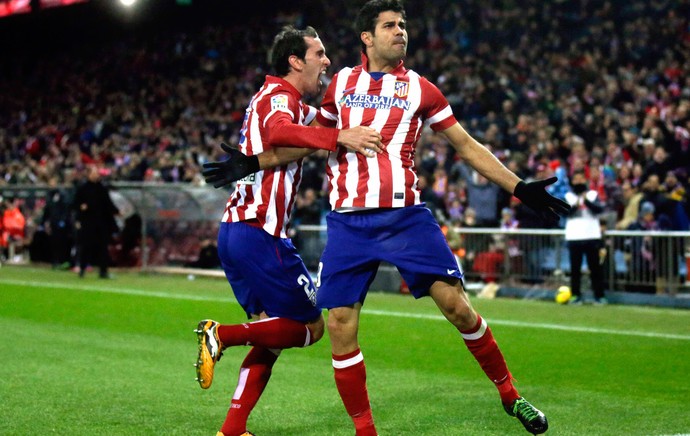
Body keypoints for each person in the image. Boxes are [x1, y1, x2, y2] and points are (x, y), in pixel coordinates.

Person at [204, 2, 568, 434]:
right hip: (348, 223)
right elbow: (312, 142)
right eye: (390, 26)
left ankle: (510, 395)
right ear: (367, 37)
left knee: (458, 307)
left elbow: (466, 145)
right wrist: (254, 163)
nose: (401, 32)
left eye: (403, 25)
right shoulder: (339, 85)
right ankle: (365, 431)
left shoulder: (421, 88)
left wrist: (518, 186)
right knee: (338, 326)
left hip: (405, 219)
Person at [194, 26, 383, 436]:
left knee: (271, 336)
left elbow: (327, 122)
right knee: (312, 326)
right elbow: (283, 131)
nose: (326, 61)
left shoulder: (288, 101)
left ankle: (232, 429)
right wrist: (338, 138)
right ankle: (220, 334)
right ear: (295, 61)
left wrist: (364, 88)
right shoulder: (280, 97)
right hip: (262, 234)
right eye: (319, 53)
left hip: (236, 231)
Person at [564, 170, 606, 304]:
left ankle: (599, 296)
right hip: (574, 235)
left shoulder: (593, 195)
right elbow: (566, 212)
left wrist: (586, 200)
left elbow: (599, 209)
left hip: (592, 235)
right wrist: (577, 203)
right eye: (576, 179)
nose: (578, 182)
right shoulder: (568, 196)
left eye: (581, 179)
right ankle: (575, 295)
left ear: (585, 180)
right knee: (575, 269)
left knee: (595, 268)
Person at [72, 165, 120, 278]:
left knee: (103, 247)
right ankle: (82, 269)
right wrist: (80, 209)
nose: (96, 175)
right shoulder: (83, 188)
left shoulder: (101, 188)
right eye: (94, 173)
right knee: (86, 246)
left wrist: (116, 211)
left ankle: (103, 271)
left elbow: (108, 203)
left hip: (101, 222)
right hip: (88, 222)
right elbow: (75, 204)